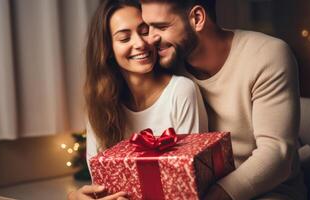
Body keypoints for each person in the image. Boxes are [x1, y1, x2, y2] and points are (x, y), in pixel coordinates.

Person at [139, 0, 307, 199]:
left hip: (270, 190)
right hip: (198, 190)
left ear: (197, 18)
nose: (149, 39)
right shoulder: (167, 64)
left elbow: (276, 156)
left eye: (161, 26)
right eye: (147, 27)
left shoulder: (267, 55)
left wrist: (215, 196)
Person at [68, 0, 208, 199]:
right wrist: (74, 196)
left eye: (144, 31)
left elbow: (190, 180)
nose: (140, 44)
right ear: (107, 50)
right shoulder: (99, 104)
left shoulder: (181, 91)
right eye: (124, 38)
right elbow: (99, 184)